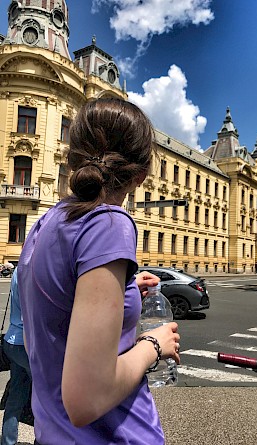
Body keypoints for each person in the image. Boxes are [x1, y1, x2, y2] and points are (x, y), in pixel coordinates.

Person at [17, 98, 181, 445]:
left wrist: (123, 287)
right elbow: (87, 399)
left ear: (72, 156)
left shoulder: (46, 223)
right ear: (140, 176)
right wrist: (155, 343)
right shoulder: (108, 222)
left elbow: (52, 319)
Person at [1, 268, 32, 445]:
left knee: (16, 396)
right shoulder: (36, 270)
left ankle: (7, 441)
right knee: (47, 399)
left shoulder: (19, 270)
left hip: (12, 340)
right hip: (27, 344)